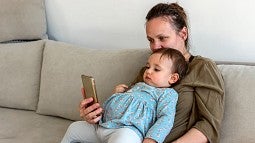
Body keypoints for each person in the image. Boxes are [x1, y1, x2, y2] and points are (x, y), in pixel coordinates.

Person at [70, 2, 225, 143]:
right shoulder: (148, 69)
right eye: (150, 40)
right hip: (124, 137)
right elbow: (128, 115)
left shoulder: (202, 67)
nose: (155, 47)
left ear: (183, 34)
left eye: (162, 38)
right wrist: (95, 115)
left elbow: (209, 125)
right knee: (75, 130)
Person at [61, 48, 188, 143]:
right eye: (148, 66)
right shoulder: (136, 86)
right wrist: (116, 94)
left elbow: (166, 118)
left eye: (156, 69)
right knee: (74, 128)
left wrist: (151, 139)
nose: (148, 71)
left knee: (123, 139)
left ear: (173, 78)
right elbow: (119, 108)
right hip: (102, 126)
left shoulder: (167, 94)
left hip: (128, 131)